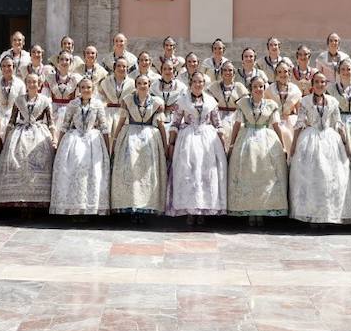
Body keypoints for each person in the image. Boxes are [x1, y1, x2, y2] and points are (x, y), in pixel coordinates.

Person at [288, 73, 351, 225]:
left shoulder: (333, 101)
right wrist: (293, 145)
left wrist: (345, 143)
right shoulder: (305, 101)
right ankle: (311, 214)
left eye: (323, 82)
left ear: (326, 84)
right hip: (310, 138)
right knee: (311, 176)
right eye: (317, 82)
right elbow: (299, 123)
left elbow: (338, 122)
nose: (319, 85)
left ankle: (327, 214)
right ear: (312, 84)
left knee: (330, 177)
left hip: (330, 139)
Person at [168, 70, 229, 223]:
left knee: (205, 173)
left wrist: (222, 144)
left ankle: (203, 210)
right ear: (190, 84)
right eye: (195, 81)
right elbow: (175, 123)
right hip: (187, 139)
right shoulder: (182, 101)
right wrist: (171, 143)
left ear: (204, 84)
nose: (198, 84)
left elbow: (218, 124)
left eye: (201, 82)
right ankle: (189, 210)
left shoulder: (211, 101)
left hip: (208, 140)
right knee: (189, 172)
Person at [227, 75, 288, 224]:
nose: (258, 89)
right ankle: (249, 211)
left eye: (261, 86)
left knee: (266, 175)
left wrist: (283, 145)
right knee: (247, 174)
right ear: (250, 89)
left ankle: (261, 211)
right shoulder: (243, 104)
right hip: (246, 139)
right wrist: (232, 144)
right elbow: (237, 124)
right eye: (255, 87)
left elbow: (276, 125)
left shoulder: (271, 105)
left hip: (266, 140)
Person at [50, 76, 111, 217]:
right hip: (74, 139)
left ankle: (89, 209)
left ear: (93, 89)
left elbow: (104, 127)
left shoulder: (97, 104)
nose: (86, 90)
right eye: (83, 87)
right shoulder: (72, 104)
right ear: (79, 89)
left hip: (93, 141)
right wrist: (59, 146)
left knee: (92, 172)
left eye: (89, 87)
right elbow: (65, 125)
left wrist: (107, 149)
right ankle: (73, 208)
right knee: (74, 168)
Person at [110, 72, 168, 219]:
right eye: (140, 84)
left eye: (145, 84)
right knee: (130, 171)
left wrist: (165, 144)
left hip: (149, 138)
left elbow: (161, 125)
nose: (142, 86)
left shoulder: (157, 102)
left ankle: (146, 209)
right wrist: (115, 139)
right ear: (135, 85)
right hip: (130, 136)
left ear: (149, 85)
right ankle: (130, 207)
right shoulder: (127, 100)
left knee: (146, 174)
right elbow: (122, 120)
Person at [0, 72, 56, 209]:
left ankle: (37, 202)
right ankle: (20, 201)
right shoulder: (19, 100)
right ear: (26, 84)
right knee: (18, 161)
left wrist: (54, 139)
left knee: (39, 163)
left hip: (39, 133)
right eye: (29, 82)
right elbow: (12, 121)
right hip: (20, 132)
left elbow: (51, 122)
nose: (32, 84)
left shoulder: (45, 101)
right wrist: (6, 139)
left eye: (35, 82)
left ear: (39, 84)